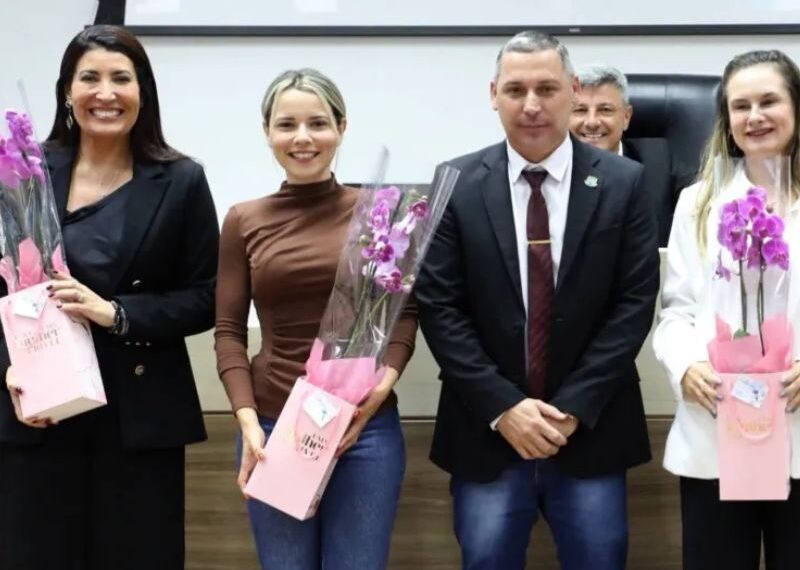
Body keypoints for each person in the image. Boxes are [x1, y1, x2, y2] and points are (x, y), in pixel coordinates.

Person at [415, 31, 659, 570]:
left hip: (590, 427)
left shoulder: (626, 183)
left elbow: (635, 302)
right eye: (516, 89)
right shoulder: (453, 182)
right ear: (493, 93)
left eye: (547, 88)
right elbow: (441, 308)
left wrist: (572, 407)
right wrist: (504, 407)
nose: (531, 105)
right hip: (488, 431)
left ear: (572, 91)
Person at [0, 25, 219, 570]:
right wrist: (9, 367)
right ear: (67, 92)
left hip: (137, 422)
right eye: (90, 78)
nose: (106, 92)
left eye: (121, 78)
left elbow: (206, 296)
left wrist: (116, 314)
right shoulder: (22, 174)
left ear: (142, 90)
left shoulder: (182, 180)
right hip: (37, 413)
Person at [214, 67, 417, 570]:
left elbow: (404, 316)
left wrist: (377, 394)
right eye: (286, 125)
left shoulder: (379, 213)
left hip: (362, 432)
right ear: (268, 133)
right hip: (273, 427)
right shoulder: (244, 218)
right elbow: (228, 332)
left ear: (341, 128)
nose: (302, 138)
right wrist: (247, 421)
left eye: (318, 123)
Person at [653, 49, 800, 570]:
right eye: (741, 106)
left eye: (769, 101)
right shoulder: (698, 202)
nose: (754, 116)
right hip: (719, 429)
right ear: (727, 120)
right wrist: (687, 365)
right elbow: (675, 310)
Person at [570, 65, 674, 246]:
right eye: (580, 110)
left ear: (626, 117)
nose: (592, 122)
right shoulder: (550, 169)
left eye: (605, 110)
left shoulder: (661, 162)